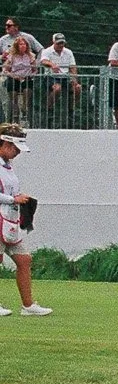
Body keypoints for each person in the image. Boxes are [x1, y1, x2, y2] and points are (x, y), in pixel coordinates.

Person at [0, 124, 48, 315]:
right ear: (3, 143)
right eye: (14, 148)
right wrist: (13, 199)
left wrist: (19, 198)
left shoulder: (7, 166)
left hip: (9, 220)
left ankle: (28, 305)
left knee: (25, 260)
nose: (17, 153)